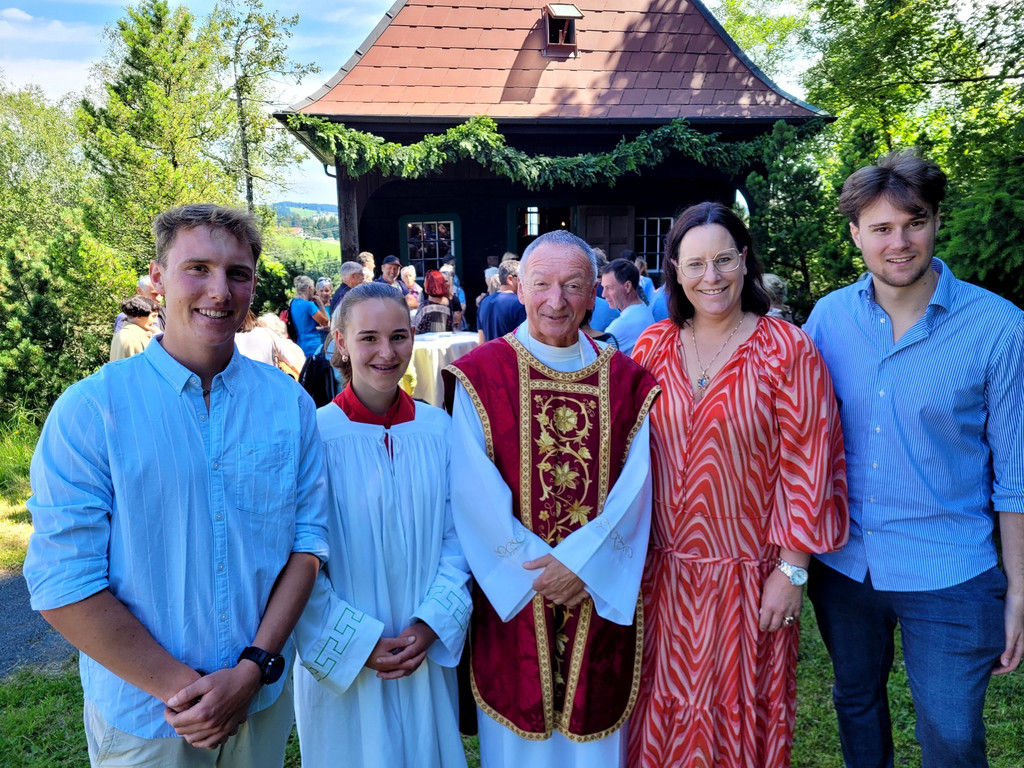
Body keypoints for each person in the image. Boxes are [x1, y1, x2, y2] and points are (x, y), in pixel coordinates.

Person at [23, 203, 329, 766]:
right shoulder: (93, 410)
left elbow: (306, 546)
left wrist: (250, 671)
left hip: (255, 704)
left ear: (253, 285)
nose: (219, 290)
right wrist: (184, 691)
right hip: (147, 714)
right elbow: (62, 580)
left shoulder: (289, 404)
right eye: (198, 268)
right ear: (159, 278)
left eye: (237, 273)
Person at [804, 150, 1024, 767]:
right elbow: (802, 440)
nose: (899, 242)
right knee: (856, 705)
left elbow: (1016, 480)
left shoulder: (1000, 330)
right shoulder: (828, 318)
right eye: (880, 228)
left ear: (934, 222)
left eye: (914, 222)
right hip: (845, 565)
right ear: (855, 234)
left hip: (952, 570)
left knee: (951, 734)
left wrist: (1019, 594)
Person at [626, 202, 849, 768]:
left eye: (724, 259)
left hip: (750, 576)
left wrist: (792, 570)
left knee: (737, 720)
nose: (712, 276)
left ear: (744, 261)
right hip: (662, 577)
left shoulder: (786, 348)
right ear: (674, 269)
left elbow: (810, 463)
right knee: (659, 715)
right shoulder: (651, 347)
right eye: (696, 263)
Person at [443, 230, 660, 767]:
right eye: (542, 284)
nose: (556, 300)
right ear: (520, 288)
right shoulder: (481, 376)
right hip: (516, 601)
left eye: (573, 285)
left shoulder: (628, 383)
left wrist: (582, 568)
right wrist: (543, 571)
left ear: (595, 294)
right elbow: (472, 494)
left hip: (598, 599)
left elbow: (637, 491)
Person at [292, 282, 471, 767]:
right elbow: (295, 556)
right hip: (349, 660)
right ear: (341, 343)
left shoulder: (439, 430)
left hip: (421, 644)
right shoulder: (313, 436)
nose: (386, 353)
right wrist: (357, 641)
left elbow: (460, 535)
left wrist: (433, 621)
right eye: (368, 338)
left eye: (398, 336)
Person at [600, 259, 655, 355]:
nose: (603, 294)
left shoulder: (619, 326)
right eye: (603, 287)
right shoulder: (644, 309)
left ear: (627, 286)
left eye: (609, 288)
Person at [477, 258, 526, 343]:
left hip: (490, 355)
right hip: (512, 356)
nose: (524, 281)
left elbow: (481, 342)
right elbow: (526, 341)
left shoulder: (484, 303)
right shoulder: (519, 303)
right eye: (521, 276)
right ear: (510, 279)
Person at [109, 295, 159, 361]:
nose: (155, 321)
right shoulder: (138, 337)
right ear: (138, 316)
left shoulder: (121, 333)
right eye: (153, 316)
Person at [291, 274, 330, 356]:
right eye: (312, 289)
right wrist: (320, 303)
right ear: (309, 288)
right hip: (313, 346)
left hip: (300, 345)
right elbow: (325, 322)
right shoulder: (309, 305)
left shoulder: (293, 303)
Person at [417, 270, 454, 334]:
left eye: (425, 282)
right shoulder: (448, 305)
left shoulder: (425, 307)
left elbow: (416, 329)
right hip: (444, 341)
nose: (424, 284)